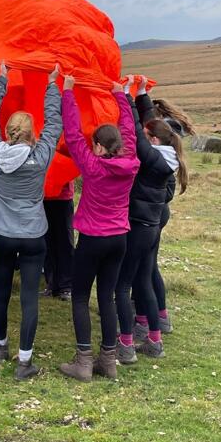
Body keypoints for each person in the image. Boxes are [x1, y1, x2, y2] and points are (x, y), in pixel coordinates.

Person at [0, 61, 62, 380]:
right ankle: (24, 362)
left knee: (0, 291)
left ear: (7, 132)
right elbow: (55, 123)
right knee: (29, 297)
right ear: (32, 133)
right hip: (33, 235)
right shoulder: (40, 156)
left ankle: (0, 348)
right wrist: (52, 86)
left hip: (1, 233)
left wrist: (1, 79)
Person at [59, 76, 139, 382]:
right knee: (107, 297)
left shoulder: (93, 166)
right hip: (119, 238)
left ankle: (83, 363)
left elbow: (72, 134)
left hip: (93, 238)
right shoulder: (130, 161)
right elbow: (129, 131)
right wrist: (121, 96)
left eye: (94, 144)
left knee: (80, 297)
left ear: (99, 146)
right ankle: (108, 361)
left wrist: (67, 92)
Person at [115, 76, 188, 363]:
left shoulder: (152, 158)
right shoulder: (166, 154)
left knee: (123, 285)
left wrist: (124, 96)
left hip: (139, 226)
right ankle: (154, 340)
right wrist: (142, 93)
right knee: (144, 279)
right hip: (152, 225)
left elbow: (135, 130)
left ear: (154, 140)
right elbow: (147, 124)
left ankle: (126, 343)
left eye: (148, 137)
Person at [131, 89, 194, 337]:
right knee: (149, 268)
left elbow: (166, 191)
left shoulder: (158, 156)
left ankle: (145, 321)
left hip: (151, 215)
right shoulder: (167, 144)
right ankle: (160, 317)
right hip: (156, 213)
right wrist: (141, 95)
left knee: (143, 271)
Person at [42, 180, 75, 301]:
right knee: (47, 243)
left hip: (63, 197)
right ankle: (51, 284)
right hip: (44, 196)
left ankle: (66, 286)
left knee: (65, 243)